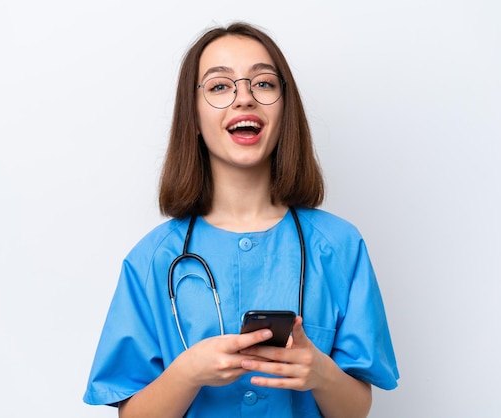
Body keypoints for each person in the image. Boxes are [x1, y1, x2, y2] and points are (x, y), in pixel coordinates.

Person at [83, 21, 399, 418]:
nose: (244, 98)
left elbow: (355, 409)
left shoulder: (339, 246)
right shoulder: (152, 259)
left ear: (285, 109)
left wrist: (319, 372)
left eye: (263, 84)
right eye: (219, 86)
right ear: (193, 119)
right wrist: (188, 372)